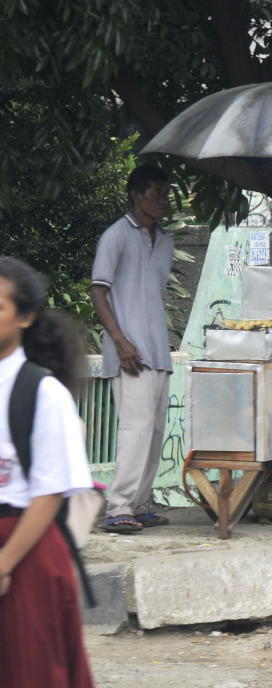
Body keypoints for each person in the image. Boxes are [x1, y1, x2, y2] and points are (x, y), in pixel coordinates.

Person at [0, 257, 96, 687]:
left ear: (24, 317)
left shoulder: (42, 392)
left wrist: (4, 564)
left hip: (25, 551)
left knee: (30, 672)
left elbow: (49, 493)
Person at [90, 164, 174, 535]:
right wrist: (120, 340)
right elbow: (98, 291)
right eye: (156, 194)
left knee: (155, 430)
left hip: (157, 348)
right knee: (135, 430)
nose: (163, 201)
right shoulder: (116, 236)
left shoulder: (167, 240)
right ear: (136, 196)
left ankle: (139, 503)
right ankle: (119, 506)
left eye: (165, 194)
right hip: (130, 350)